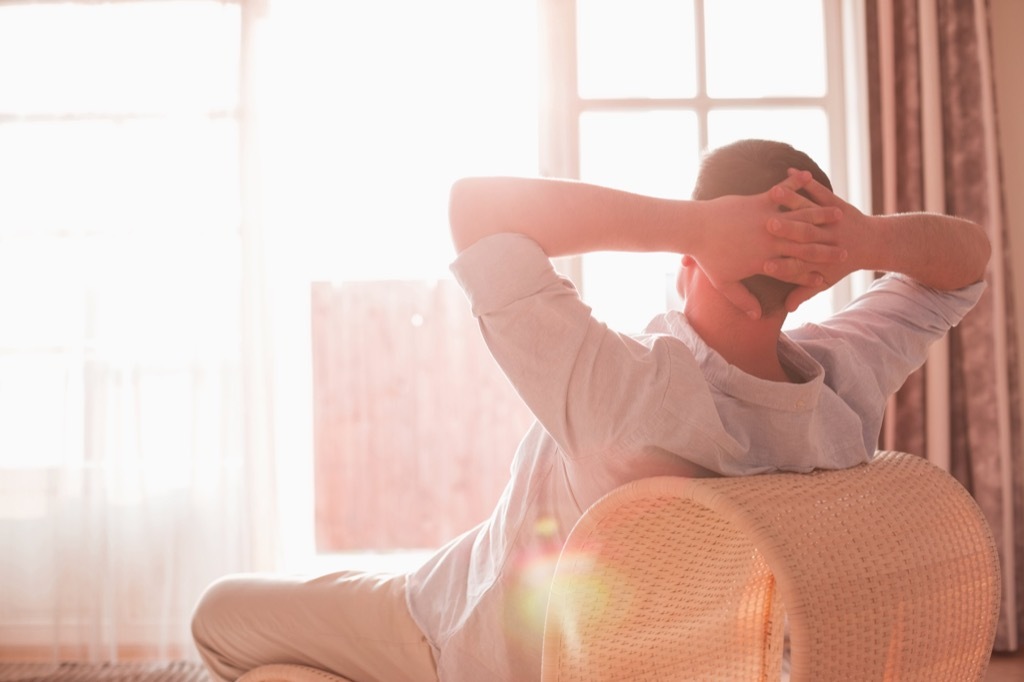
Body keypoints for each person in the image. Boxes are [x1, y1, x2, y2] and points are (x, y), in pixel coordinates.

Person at [191, 139, 990, 682]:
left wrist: (698, 224)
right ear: (814, 277)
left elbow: (475, 206)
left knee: (221, 616)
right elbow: (965, 263)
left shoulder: (631, 392)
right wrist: (857, 240)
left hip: (453, 633)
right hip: (631, 647)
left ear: (693, 265)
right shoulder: (841, 381)